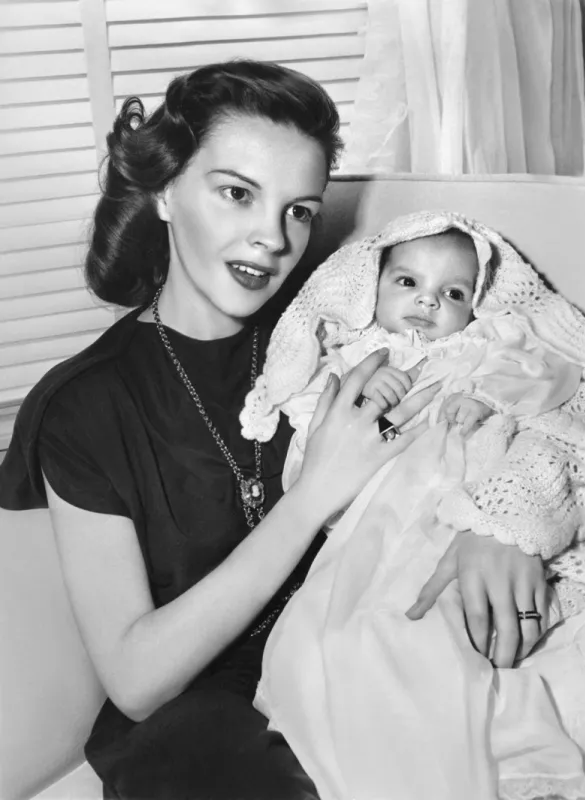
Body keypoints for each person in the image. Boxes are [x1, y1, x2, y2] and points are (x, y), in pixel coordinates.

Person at [0, 62, 556, 799]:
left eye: (298, 210)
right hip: (201, 719)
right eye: (236, 194)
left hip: (362, 650)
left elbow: (525, 389)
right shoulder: (84, 405)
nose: (271, 238)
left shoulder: (343, 327)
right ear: (165, 193)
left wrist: (503, 523)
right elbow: (136, 683)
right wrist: (313, 494)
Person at [241, 211, 585, 800]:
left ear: (476, 303)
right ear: (372, 287)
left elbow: (549, 387)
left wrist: (486, 398)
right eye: (408, 283)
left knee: (464, 627)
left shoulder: (485, 344)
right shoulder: (356, 361)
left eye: (452, 293)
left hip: (462, 503)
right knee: (361, 632)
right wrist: (371, 406)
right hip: (381, 521)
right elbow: (315, 477)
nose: (429, 302)